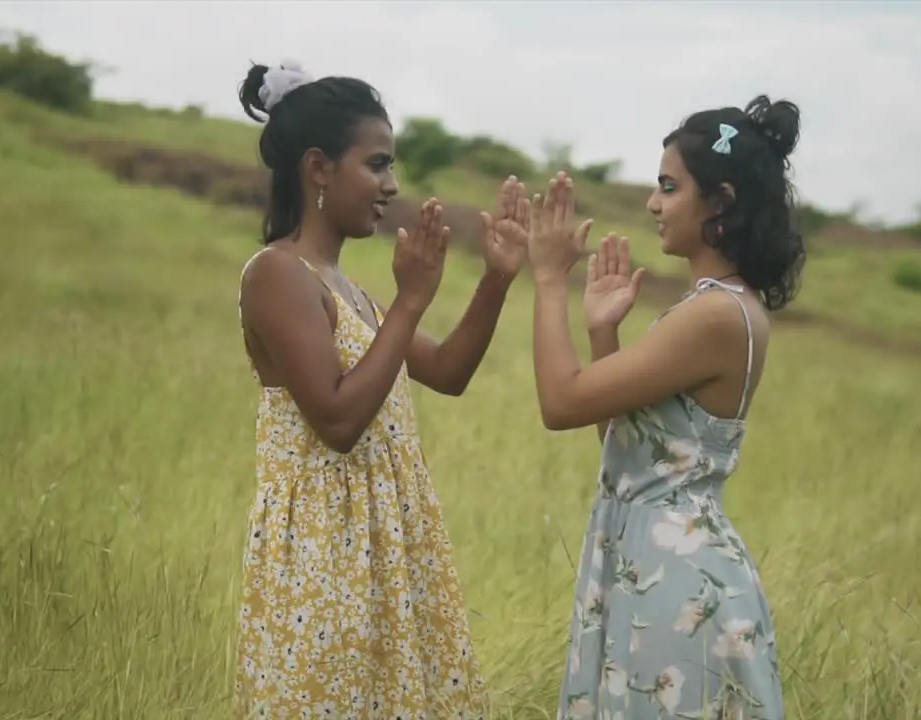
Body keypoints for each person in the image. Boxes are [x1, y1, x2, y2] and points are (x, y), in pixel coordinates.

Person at [232, 61, 530, 719]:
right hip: (323, 557)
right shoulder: (277, 275)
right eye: (376, 164)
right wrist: (412, 301)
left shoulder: (350, 292)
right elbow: (337, 423)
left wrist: (496, 280)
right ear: (318, 167)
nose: (391, 186)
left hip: (381, 549)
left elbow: (448, 373)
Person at [525, 95, 805, 719]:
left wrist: (548, 279)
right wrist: (603, 332)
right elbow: (632, 450)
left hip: (675, 582)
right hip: (656, 565)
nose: (653, 203)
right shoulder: (721, 307)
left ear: (721, 202)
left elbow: (559, 402)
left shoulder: (714, 315)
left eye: (669, 187)